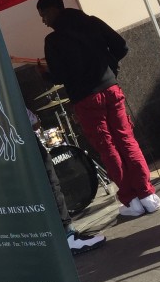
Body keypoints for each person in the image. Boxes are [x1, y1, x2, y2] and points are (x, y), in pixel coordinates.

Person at [35, 0, 160, 219]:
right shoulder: (92, 22)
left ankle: (131, 200)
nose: (43, 20)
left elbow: (60, 75)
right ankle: (147, 195)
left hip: (86, 98)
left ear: (54, 9)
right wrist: (109, 66)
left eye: (43, 14)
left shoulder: (53, 41)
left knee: (108, 148)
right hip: (111, 89)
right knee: (126, 139)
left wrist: (46, 74)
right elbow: (121, 46)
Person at [27, 107, 105, 255]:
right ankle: (69, 236)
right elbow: (34, 122)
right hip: (26, 142)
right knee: (50, 184)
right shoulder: (7, 94)